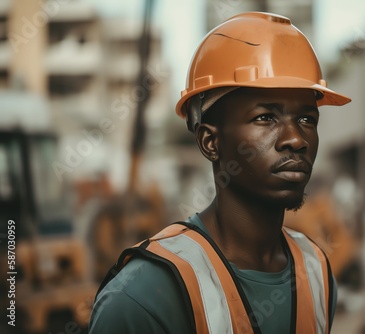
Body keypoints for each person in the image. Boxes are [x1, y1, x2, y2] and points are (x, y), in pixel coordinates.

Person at [89, 12, 351, 333]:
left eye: (307, 119)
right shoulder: (141, 298)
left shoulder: (316, 271)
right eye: (266, 117)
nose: (296, 139)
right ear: (210, 142)